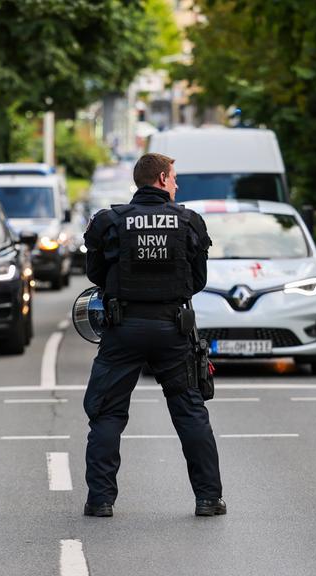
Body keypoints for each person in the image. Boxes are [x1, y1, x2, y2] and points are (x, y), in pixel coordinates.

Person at [82, 152, 225, 517]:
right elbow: (198, 281)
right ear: (161, 178)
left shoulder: (109, 221)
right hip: (172, 329)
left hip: (123, 328)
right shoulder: (189, 221)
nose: (176, 185)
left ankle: (100, 501)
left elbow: (95, 273)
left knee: (107, 414)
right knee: (190, 412)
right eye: (174, 178)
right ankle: (208, 499)